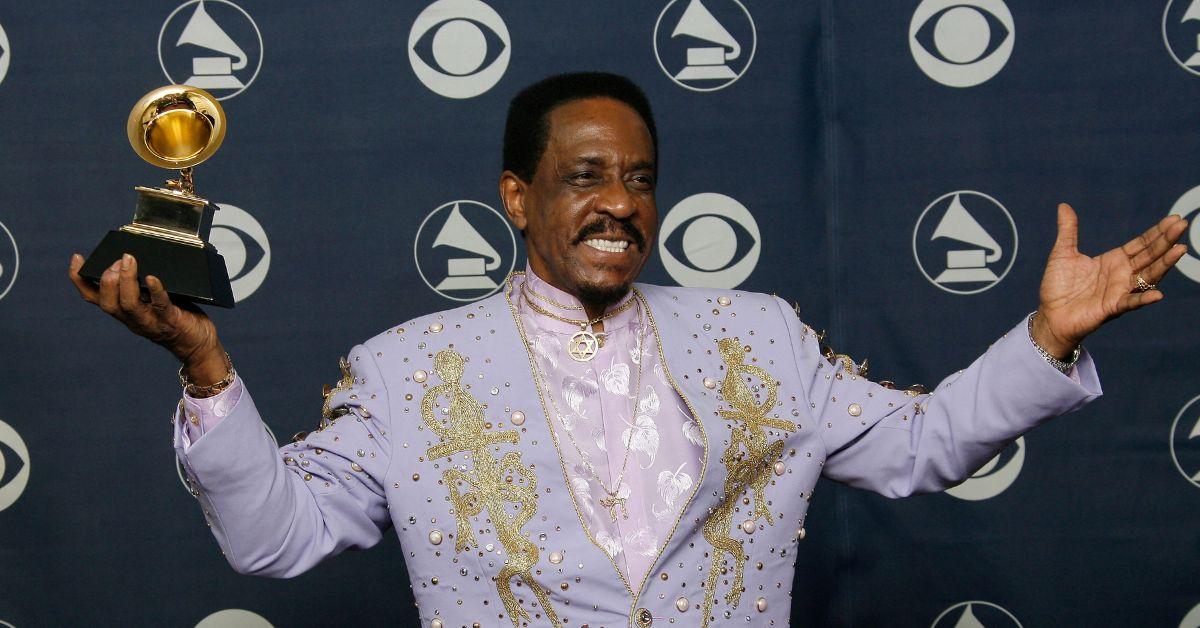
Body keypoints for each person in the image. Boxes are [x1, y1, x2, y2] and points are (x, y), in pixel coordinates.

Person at [68, 72, 1188, 628]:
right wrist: (208, 374)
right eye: (585, 177)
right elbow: (276, 538)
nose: (619, 204)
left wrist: (1045, 335)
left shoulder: (757, 334)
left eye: (640, 177)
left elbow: (925, 444)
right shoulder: (410, 370)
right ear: (517, 195)